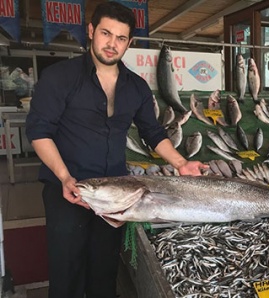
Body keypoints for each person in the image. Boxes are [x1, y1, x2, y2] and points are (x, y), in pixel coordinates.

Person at [25, 2, 207, 297]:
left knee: (105, 268)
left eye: (121, 38)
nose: (112, 44)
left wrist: (181, 163)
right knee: (66, 268)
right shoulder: (60, 77)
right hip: (68, 188)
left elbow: (153, 132)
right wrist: (64, 177)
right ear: (91, 31)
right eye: (106, 34)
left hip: (117, 192)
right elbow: (39, 131)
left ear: (129, 43)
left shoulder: (136, 87)